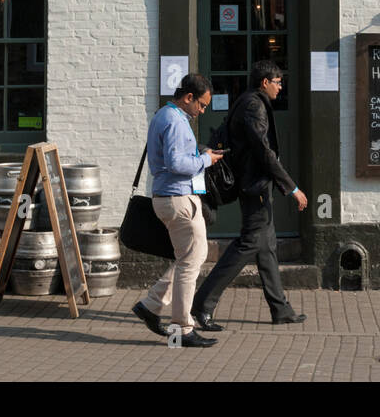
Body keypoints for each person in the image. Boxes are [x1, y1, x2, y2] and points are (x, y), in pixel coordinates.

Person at [191, 60, 308, 329]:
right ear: (264, 82)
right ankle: (202, 304)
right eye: (277, 82)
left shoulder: (250, 102)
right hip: (254, 186)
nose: (281, 87)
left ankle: (280, 309)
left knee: (267, 247)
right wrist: (292, 188)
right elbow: (263, 151)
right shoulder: (254, 106)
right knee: (249, 244)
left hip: (256, 185)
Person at [131, 73, 224, 347]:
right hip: (178, 198)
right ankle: (181, 330)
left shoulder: (165, 115)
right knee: (189, 264)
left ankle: (151, 305)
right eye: (202, 105)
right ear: (188, 98)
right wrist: (205, 159)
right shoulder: (174, 120)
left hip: (170, 197)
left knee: (191, 256)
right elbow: (175, 163)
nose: (202, 111)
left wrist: (200, 156)